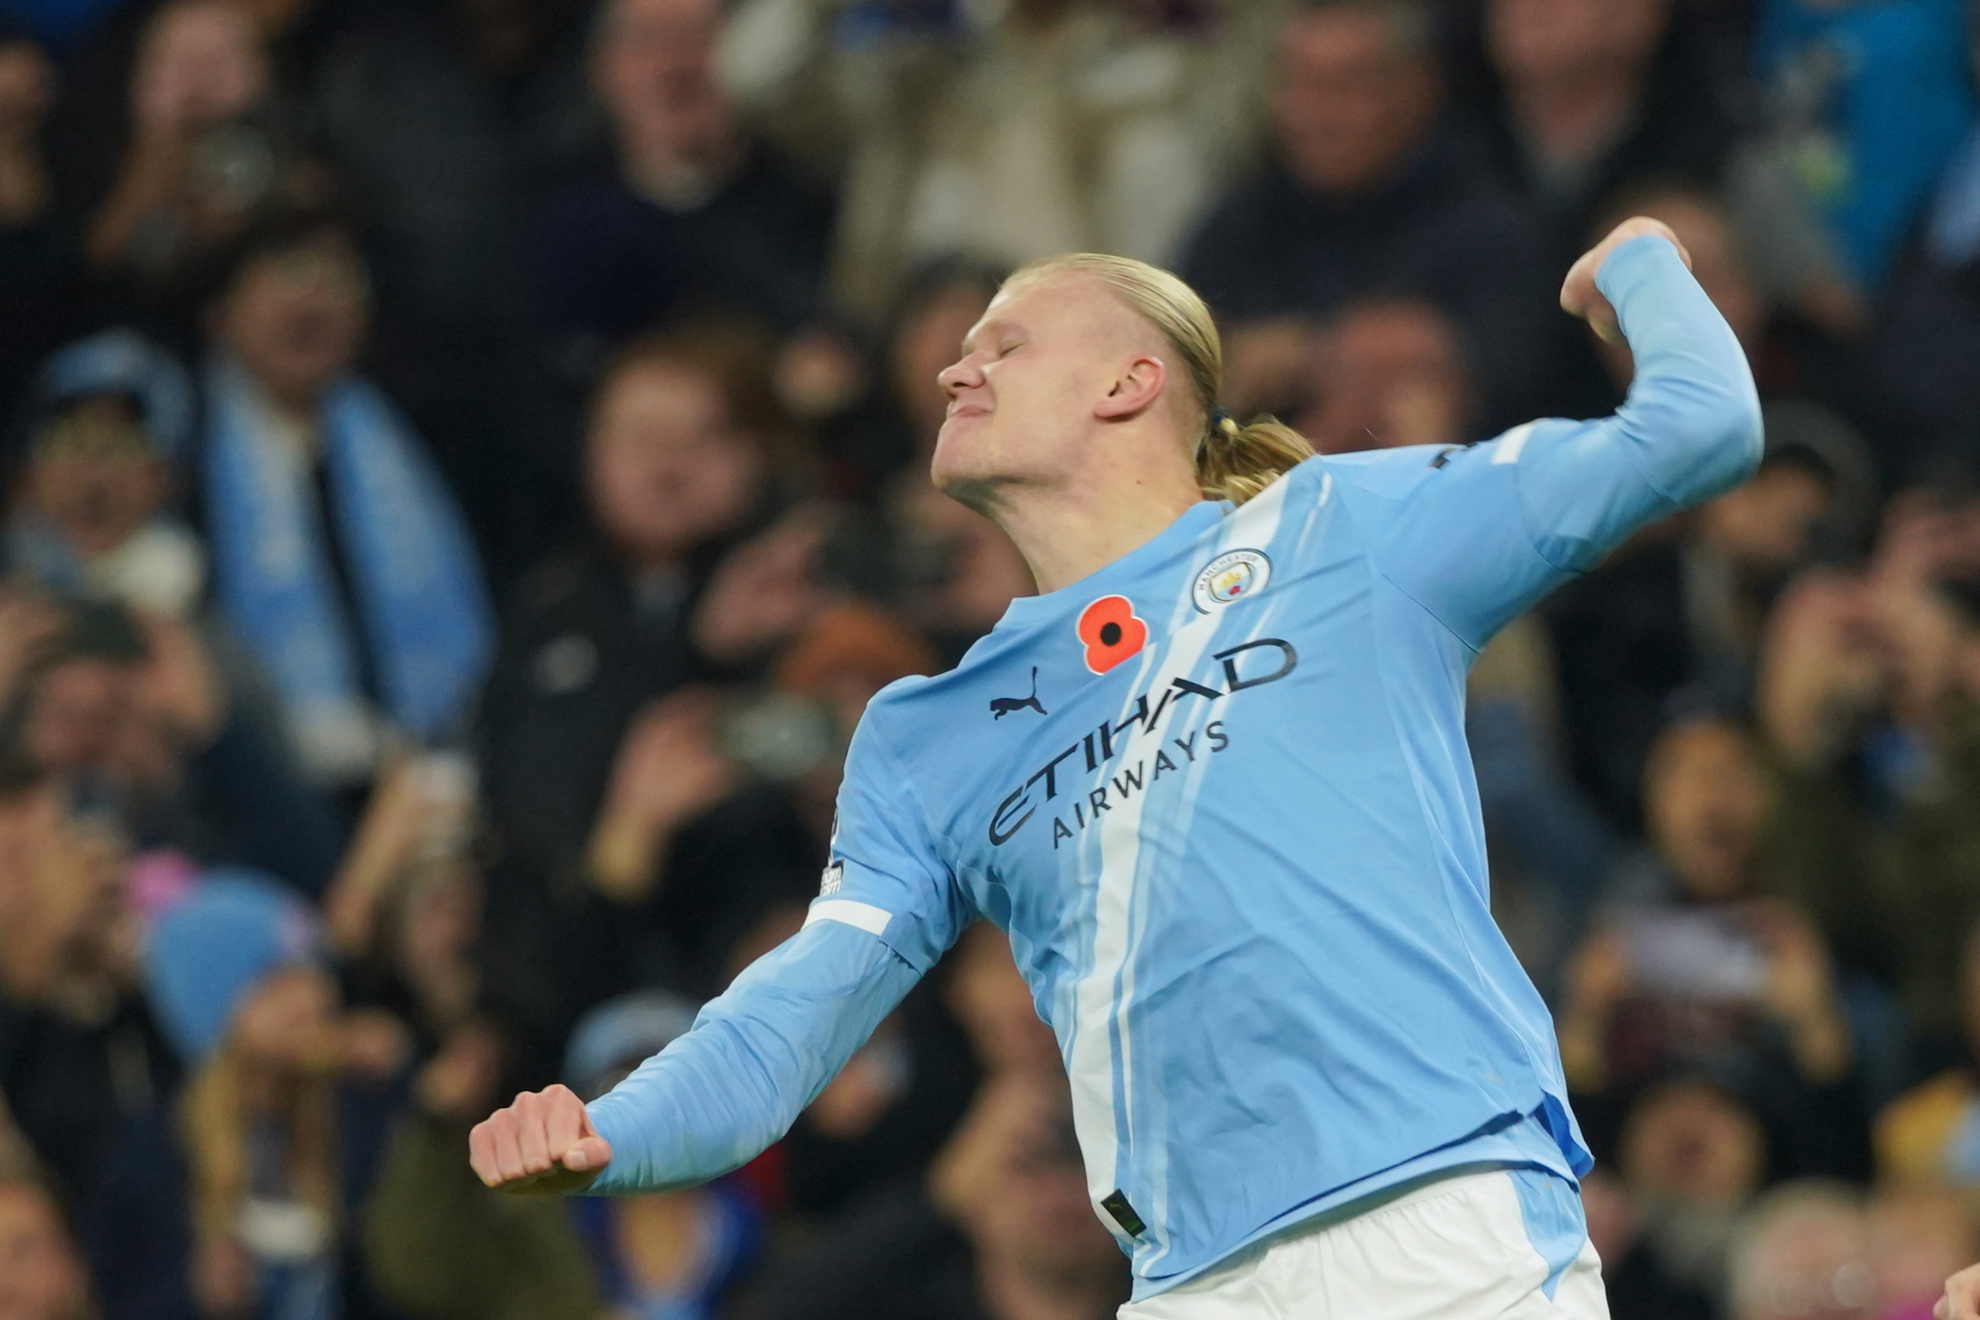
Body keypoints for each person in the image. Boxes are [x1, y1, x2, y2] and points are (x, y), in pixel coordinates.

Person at [472, 214, 1761, 1316]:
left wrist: (1641, 267)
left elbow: (1702, 425)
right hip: (1188, 1278)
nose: (950, 371)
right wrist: (610, 1136)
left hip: (1440, 1225)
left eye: (1003, 342)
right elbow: (782, 1031)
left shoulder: (1346, 532)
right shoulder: (928, 732)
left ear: (1130, 381)